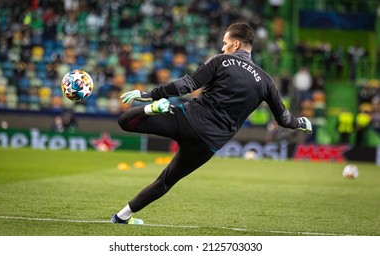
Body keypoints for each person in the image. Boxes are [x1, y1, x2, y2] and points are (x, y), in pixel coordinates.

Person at [111, 22, 312, 225]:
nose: (222, 48)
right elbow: (284, 119)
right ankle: (122, 216)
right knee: (165, 182)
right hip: (208, 143)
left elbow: (187, 84)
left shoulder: (222, 61)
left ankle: (150, 109)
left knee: (126, 123)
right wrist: (300, 122)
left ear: (235, 44)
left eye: (225, 43)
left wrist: (151, 96)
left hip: (186, 120)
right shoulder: (267, 81)